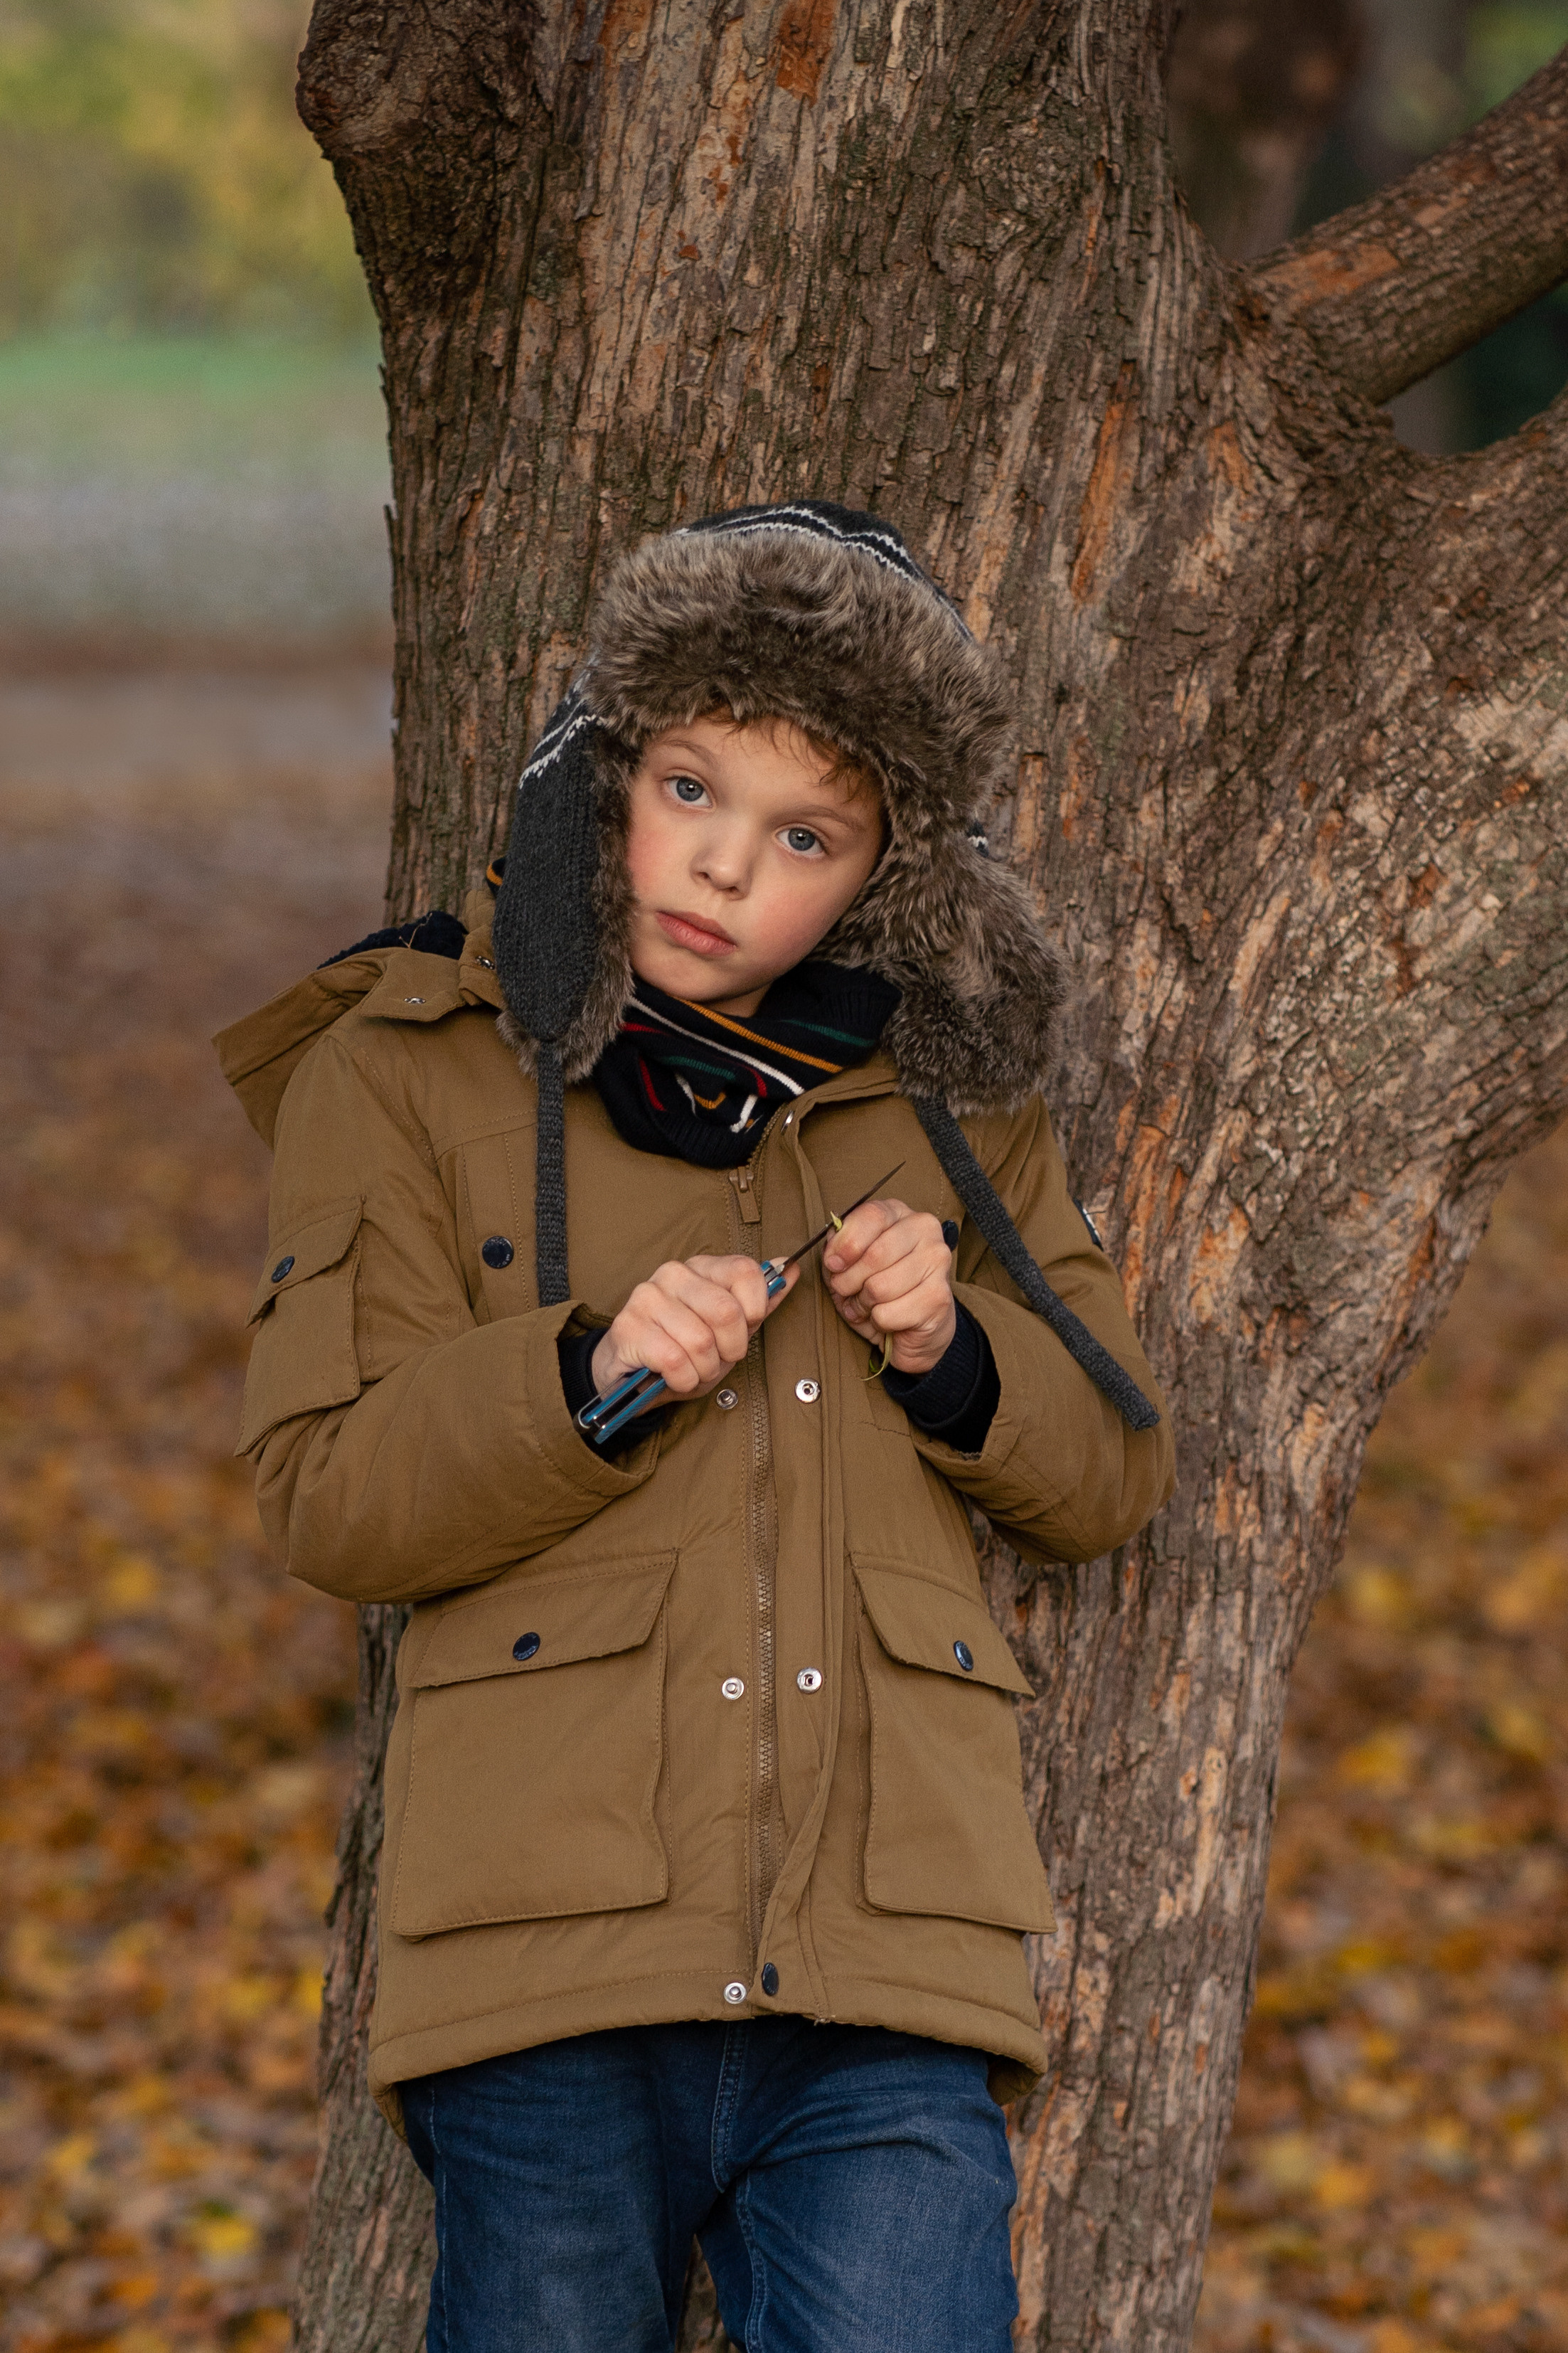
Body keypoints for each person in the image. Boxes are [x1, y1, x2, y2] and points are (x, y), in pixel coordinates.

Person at [218, 501, 1174, 2352]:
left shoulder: (950, 1104)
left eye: (803, 834)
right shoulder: (406, 1066)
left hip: (886, 1968)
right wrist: (577, 1374)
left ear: (886, 872)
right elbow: (323, 1490)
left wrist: (954, 1345)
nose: (723, 867)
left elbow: (1116, 1456)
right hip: (541, 1964)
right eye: (688, 787)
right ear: (604, 768)